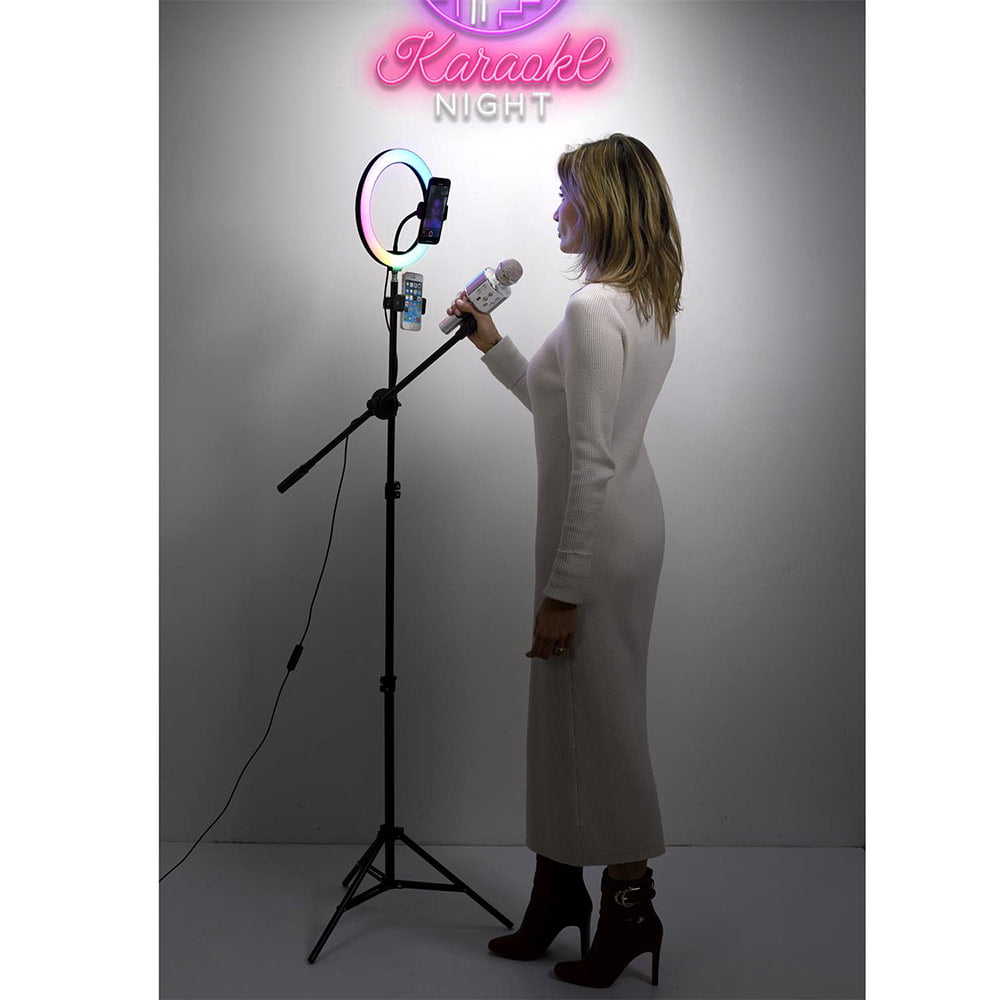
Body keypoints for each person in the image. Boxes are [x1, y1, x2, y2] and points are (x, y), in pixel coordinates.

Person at [447, 133, 683, 989]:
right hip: (623, 528)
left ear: (602, 206)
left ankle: (630, 905)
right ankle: (558, 895)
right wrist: (492, 342)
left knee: (603, 722)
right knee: (568, 717)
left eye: (567, 196)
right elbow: (553, 404)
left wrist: (563, 592)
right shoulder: (641, 302)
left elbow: (589, 459)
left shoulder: (593, 311)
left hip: (597, 541)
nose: (556, 212)